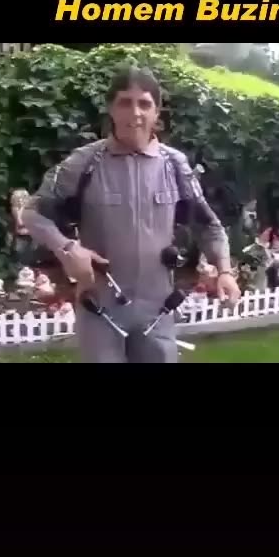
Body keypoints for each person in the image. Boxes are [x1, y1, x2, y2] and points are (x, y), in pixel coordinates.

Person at [22, 66, 240, 363]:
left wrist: (224, 271)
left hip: (157, 310)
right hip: (101, 309)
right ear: (111, 108)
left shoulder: (175, 165)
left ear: (157, 112)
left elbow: (208, 225)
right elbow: (32, 212)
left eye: (144, 104)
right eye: (125, 102)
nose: (135, 113)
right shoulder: (84, 163)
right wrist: (68, 248)